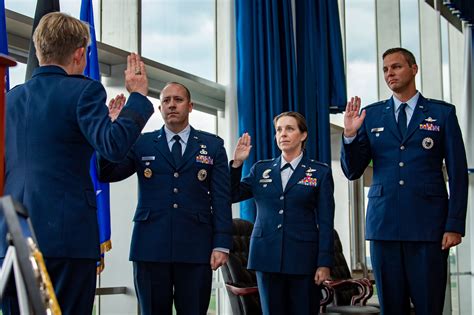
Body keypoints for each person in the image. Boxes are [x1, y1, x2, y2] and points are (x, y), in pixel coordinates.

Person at [1, 12, 154, 314]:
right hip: (65, 239)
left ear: (39, 49)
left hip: (13, 239)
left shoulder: (10, 99)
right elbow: (112, 146)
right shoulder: (84, 90)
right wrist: (137, 97)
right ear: (80, 53)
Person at [341, 47, 468, 315]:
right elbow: (353, 171)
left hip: (429, 228)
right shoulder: (372, 115)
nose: (390, 73)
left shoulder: (442, 114)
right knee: (392, 308)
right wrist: (350, 136)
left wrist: (454, 225)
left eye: (396, 67)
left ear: (413, 69)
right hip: (384, 226)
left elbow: (457, 174)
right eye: (386, 69)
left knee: (428, 306)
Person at [97, 82, 233, 315]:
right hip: (150, 246)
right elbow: (107, 172)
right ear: (159, 109)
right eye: (166, 101)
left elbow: (221, 198)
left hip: (196, 247)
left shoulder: (212, 145)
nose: (172, 105)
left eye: (178, 100)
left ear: (190, 106)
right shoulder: (141, 142)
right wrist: (112, 130)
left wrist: (222, 244)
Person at [230, 112, 335, 315]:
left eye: (289, 129)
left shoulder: (319, 172)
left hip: (304, 259)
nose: (283, 134)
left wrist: (324, 262)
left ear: (303, 135)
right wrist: (237, 164)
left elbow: (325, 221)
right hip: (266, 257)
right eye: (279, 130)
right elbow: (231, 194)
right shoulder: (261, 169)